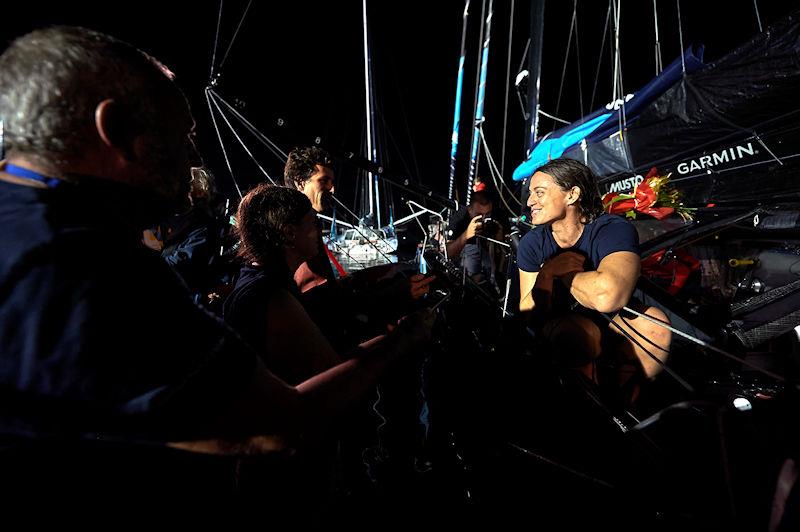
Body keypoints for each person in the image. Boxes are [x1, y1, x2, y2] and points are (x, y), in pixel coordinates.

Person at [0, 26, 433, 489]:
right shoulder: (88, 265)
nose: (191, 158)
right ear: (119, 132)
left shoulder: (21, 224)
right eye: (178, 135)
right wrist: (404, 341)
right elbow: (275, 427)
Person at [517, 158, 671, 405]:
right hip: (560, 323)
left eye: (539, 192)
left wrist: (563, 273)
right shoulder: (532, 244)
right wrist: (546, 275)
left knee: (655, 325)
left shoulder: (611, 229)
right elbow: (527, 311)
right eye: (531, 194)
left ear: (572, 194)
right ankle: (582, 408)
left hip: (611, 320)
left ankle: (623, 409)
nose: (529, 201)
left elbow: (609, 296)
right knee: (576, 333)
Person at [446, 183, 504, 291]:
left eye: (488, 214)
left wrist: (500, 239)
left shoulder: (496, 217)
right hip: (465, 273)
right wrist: (466, 235)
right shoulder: (460, 217)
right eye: (479, 215)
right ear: (469, 210)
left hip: (490, 272)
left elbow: (504, 254)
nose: (484, 219)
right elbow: (448, 252)